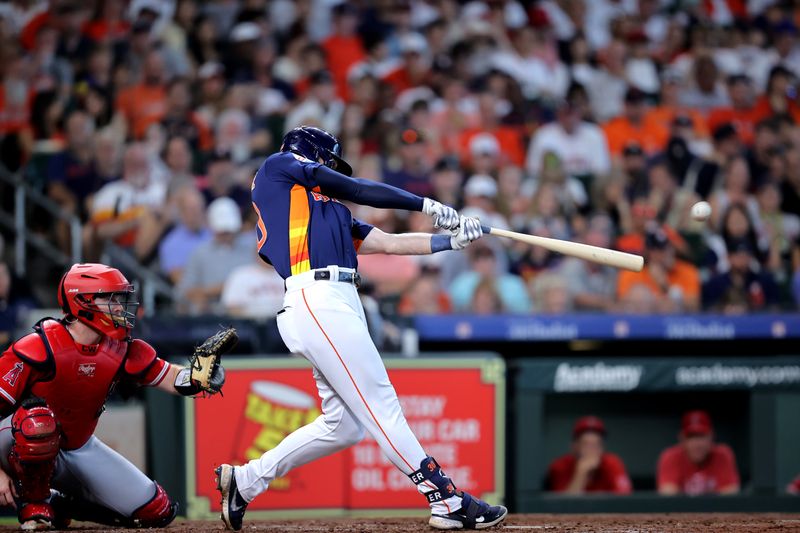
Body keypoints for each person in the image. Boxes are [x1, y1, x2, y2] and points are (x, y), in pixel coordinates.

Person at [215, 126, 505, 531]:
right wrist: (426, 203)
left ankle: (245, 481)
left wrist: (451, 242)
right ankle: (446, 498)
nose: (332, 168)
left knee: (344, 425)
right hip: (315, 296)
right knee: (381, 404)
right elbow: (359, 187)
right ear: (314, 155)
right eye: (329, 161)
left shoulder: (325, 211)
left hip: (336, 299)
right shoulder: (278, 168)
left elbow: (387, 243)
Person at [0, 263, 226, 529]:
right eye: (109, 298)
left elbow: (171, 377)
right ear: (81, 300)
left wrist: (198, 377)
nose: (119, 306)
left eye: (120, 298)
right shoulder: (38, 347)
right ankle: (34, 505)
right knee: (37, 421)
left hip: (76, 446)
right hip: (14, 439)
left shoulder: (122, 350)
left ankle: (56, 503)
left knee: (156, 510)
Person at [657, 410, 740, 495]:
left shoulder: (722, 455)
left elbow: (731, 495)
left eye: (701, 436)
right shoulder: (671, 457)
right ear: (682, 439)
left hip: (715, 509)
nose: (697, 444)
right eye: (691, 437)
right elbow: (668, 497)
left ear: (711, 436)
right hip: (682, 509)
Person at [547, 416, 632, 494]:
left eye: (596, 444)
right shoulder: (561, 466)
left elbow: (625, 500)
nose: (592, 450)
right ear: (574, 447)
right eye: (586, 444)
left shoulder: (612, 464)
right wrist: (580, 474)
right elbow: (562, 506)